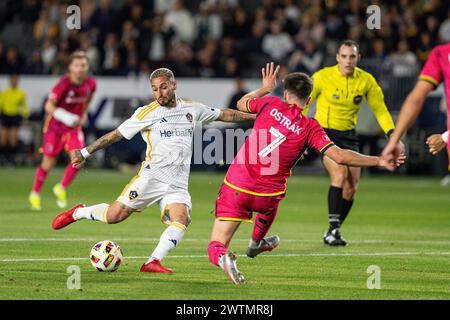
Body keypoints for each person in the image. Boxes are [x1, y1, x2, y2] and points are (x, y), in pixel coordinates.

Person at [207, 63, 404, 285]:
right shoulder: (311, 127)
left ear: (285, 93)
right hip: (267, 197)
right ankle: (255, 244)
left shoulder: (269, 103)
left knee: (216, 244)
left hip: (237, 187)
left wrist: (264, 88)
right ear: (309, 100)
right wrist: (379, 159)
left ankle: (224, 257)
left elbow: (241, 103)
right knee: (271, 201)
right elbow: (339, 156)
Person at [51, 67, 256, 274]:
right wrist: (85, 152)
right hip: (152, 177)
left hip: (177, 183)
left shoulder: (191, 109)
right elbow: (115, 135)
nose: (159, 93)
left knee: (181, 219)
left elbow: (225, 114)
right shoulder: (146, 113)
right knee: (114, 216)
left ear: (174, 85)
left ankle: (152, 262)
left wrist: (255, 115)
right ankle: (78, 212)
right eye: (155, 89)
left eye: (164, 87)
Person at [302, 40, 396, 246]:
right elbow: (304, 103)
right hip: (324, 133)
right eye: (344, 56)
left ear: (358, 58)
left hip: (349, 135)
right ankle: (334, 229)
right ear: (337, 57)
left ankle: (332, 230)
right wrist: (298, 132)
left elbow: (380, 109)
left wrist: (392, 134)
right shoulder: (322, 76)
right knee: (340, 173)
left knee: (351, 187)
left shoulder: (366, 80)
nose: (348, 60)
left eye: (352, 56)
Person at [28, 51, 96, 211]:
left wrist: (84, 112)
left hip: (73, 128)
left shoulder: (91, 83)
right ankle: (35, 193)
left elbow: (88, 99)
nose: (80, 68)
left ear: (87, 67)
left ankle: (61, 187)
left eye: (83, 65)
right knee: (48, 163)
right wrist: (65, 116)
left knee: (79, 159)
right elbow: (48, 106)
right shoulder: (63, 84)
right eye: (77, 65)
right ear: (70, 67)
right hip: (55, 127)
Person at [383, 42, 450, 185]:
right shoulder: (440, 53)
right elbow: (415, 99)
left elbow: (416, 99)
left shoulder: (442, 53)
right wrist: (395, 140)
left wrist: (445, 136)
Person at [0, 74, 29, 165]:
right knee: (3, 139)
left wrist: (25, 117)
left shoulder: (21, 93)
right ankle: (4, 158)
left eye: (15, 80)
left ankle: (11, 159)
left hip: (15, 116)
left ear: (17, 82)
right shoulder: (5, 92)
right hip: (5, 115)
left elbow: (24, 106)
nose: (14, 82)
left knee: (13, 139)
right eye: (12, 80)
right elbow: (1, 104)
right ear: (10, 82)